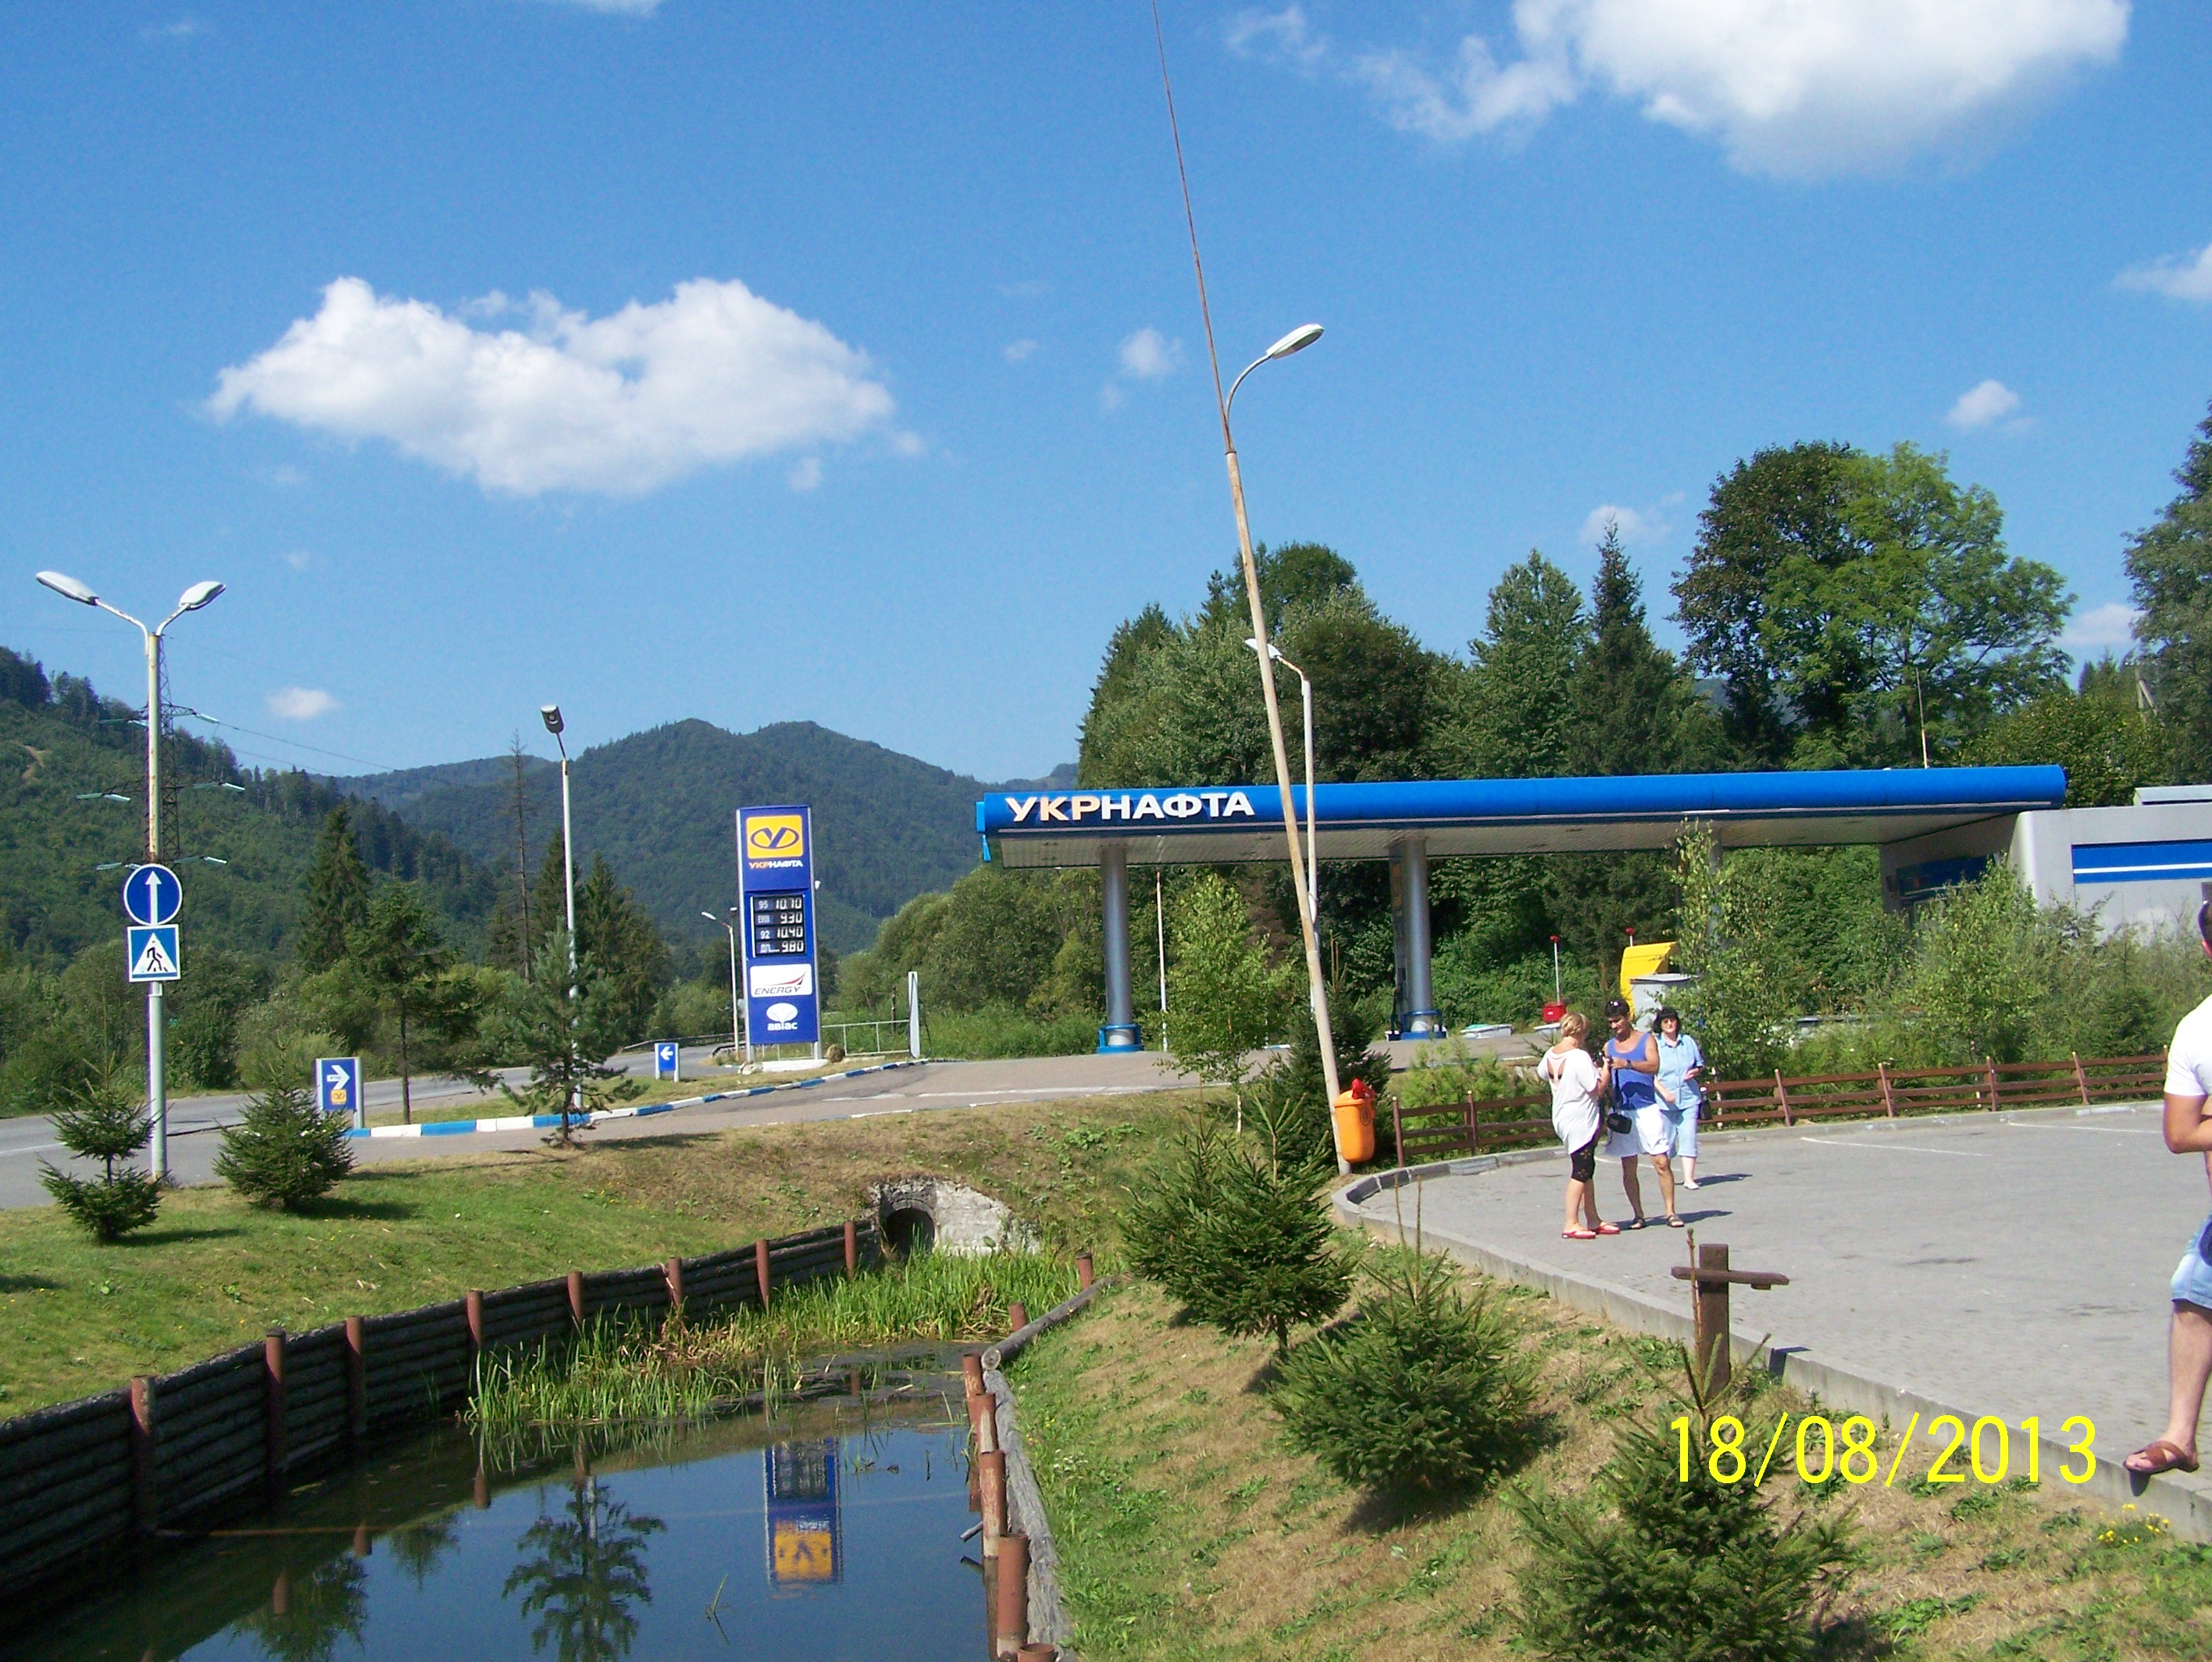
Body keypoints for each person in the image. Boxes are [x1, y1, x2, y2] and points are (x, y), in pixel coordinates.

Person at [2125, 900, 2212, 1478]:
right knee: (2192, 1291)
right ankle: (2180, 1439)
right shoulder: (2198, 1030)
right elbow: (2181, 1133)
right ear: (2208, 948)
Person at [1604, 997, 1681, 1228]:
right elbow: (1605, 1076)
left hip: (1647, 1108)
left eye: (1617, 1021)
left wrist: (1626, 1063)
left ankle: (1670, 1212)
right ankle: (1638, 1214)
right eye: (1610, 1022)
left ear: (1627, 1017)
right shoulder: (1609, 1046)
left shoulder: (1646, 1040)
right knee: (1628, 1166)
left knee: (1661, 1161)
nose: (1614, 1026)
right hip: (1623, 1111)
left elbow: (1654, 1066)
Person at [1543, 1011, 1618, 1241]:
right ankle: (1571, 1222)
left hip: (1562, 1115)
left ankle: (1592, 1217)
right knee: (1581, 1170)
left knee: (1588, 1169)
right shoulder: (1579, 1057)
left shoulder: (1550, 1054)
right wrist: (1605, 1070)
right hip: (1580, 1118)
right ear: (1580, 1032)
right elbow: (1596, 1089)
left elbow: (1543, 1074)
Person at [1653, 1006, 1706, 1189]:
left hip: (1689, 1097)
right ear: (1660, 1025)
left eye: (1672, 1020)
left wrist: (1695, 1071)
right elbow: (1651, 1074)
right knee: (1667, 1141)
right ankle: (1667, 1175)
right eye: (1665, 1021)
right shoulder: (1655, 1044)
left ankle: (1689, 1178)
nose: (1669, 1024)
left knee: (1688, 1136)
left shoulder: (1688, 1041)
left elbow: (1700, 1064)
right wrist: (1664, 1092)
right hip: (1664, 1101)